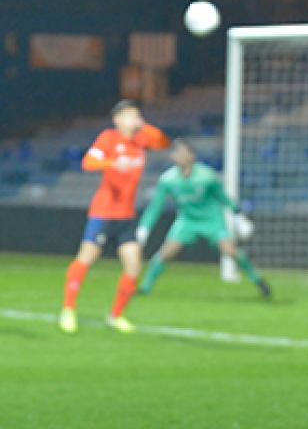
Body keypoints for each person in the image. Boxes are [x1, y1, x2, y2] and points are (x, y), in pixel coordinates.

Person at [59, 100, 170, 334]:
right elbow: (88, 162)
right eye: (130, 115)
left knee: (134, 266)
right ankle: (68, 309)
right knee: (86, 258)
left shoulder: (142, 139)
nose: (134, 119)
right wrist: (111, 163)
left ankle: (116, 316)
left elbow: (163, 142)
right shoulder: (109, 138)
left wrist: (145, 126)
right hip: (103, 213)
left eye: (136, 115)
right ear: (117, 119)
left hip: (126, 216)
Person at [135, 138, 270, 298]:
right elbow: (156, 206)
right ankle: (145, 287)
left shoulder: (207, 177)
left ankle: (257, 279)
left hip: (212, 219)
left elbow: (223, 197)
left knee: (230, 251)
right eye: (175, 152)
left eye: (181, 152)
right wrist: (145, 226)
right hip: (187, 220)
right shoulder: (168, 179)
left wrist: (238, 215)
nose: (176, 156)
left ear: (192, 156)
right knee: (166, 252)